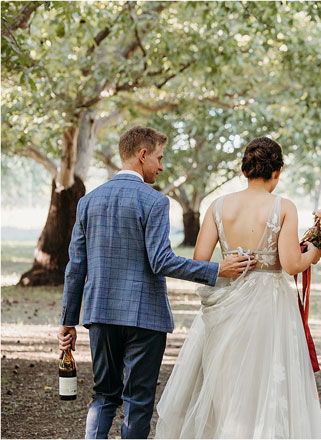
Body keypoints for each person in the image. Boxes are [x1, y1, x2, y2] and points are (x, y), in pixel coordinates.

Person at [57, 126, 256, 439]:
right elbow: (161, 261)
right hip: (144, 317)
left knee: (104, 396)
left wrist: (68, 321)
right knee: (137, 401)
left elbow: (75, 267)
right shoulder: (154, 202)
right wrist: (216, 270)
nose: (161, 167)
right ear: (142, 155)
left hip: (100, 314)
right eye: (159, 158)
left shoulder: (88, 202)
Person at [155, 136, 321, 438]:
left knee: (228, 384)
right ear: (278, 172)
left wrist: (229, 263)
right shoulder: (284, 207)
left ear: (244, 171)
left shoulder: (218, 206)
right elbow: (291, 264)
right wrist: (315, 250)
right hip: (269, 307)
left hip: (226, 301)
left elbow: (201, 261)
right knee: (267, 383)